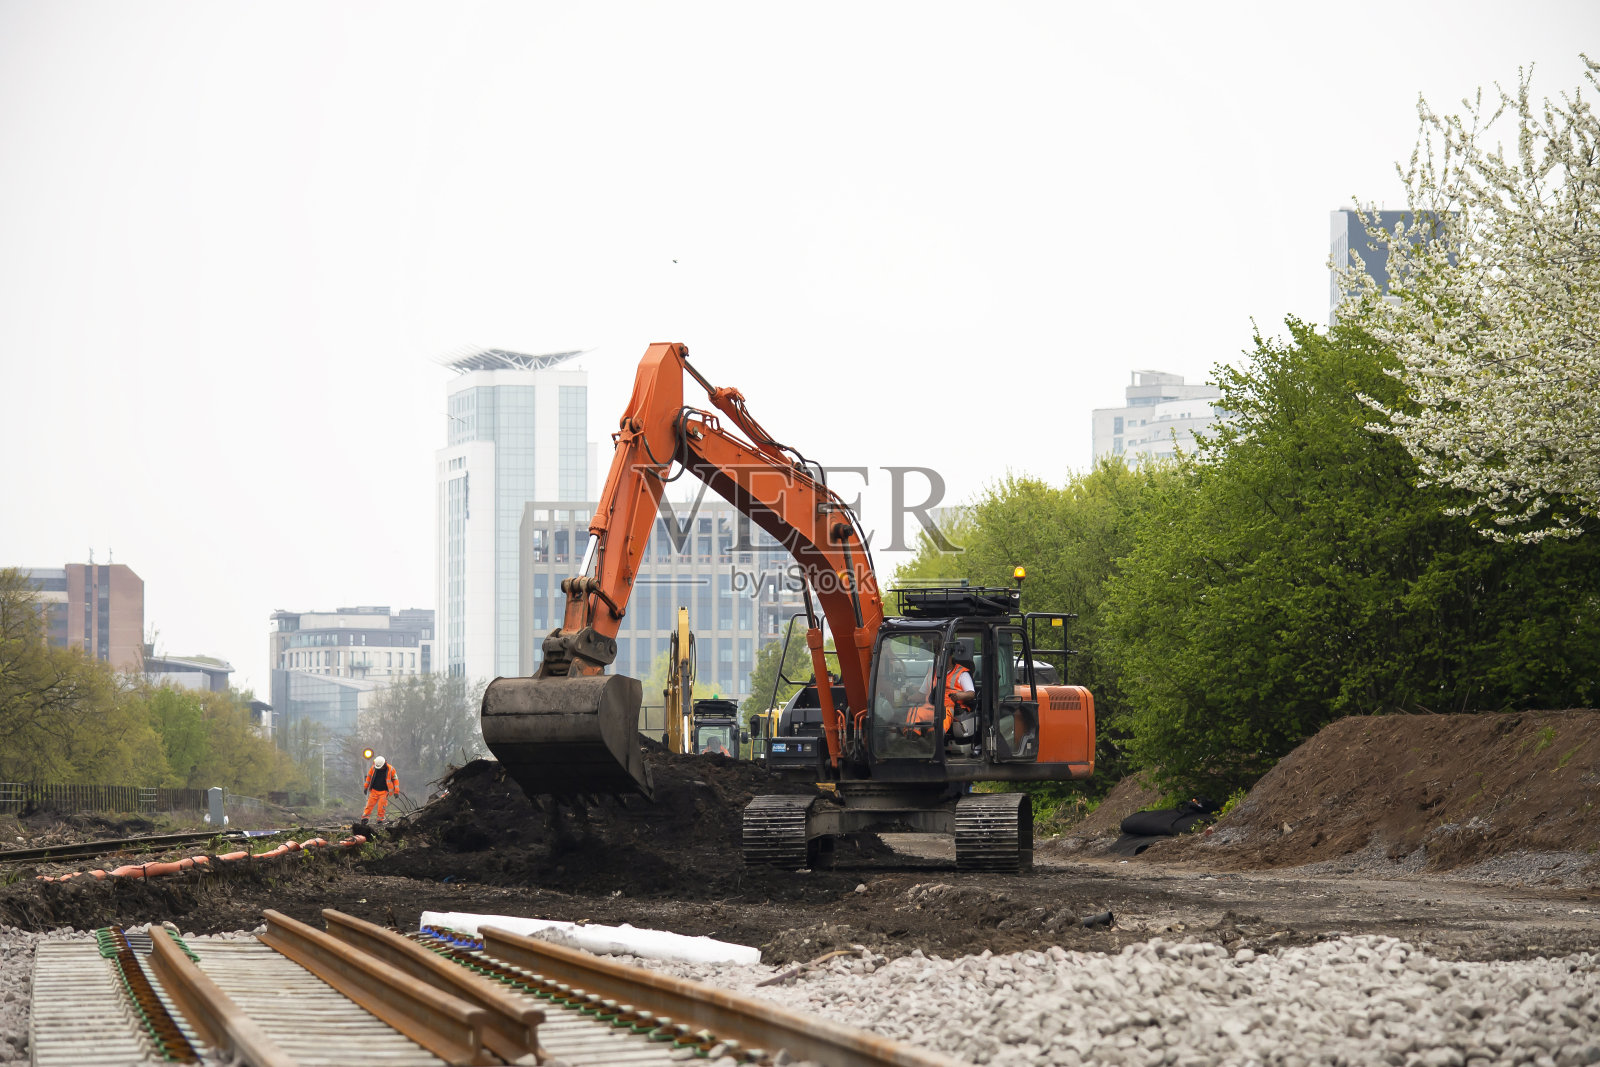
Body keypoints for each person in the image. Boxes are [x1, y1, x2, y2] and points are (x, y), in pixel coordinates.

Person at [362, 755, 399, 824]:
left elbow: (395, 780)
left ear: (384, 764)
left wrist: (396, 791)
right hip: (374, 790)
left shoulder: (391, 769)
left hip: (384, 792)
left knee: (381, 807)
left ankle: (380, 821)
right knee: (369, 806)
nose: (379, 768)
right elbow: (368, 778)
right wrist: (366, 787)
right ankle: (364, 819)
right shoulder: (373, 767)